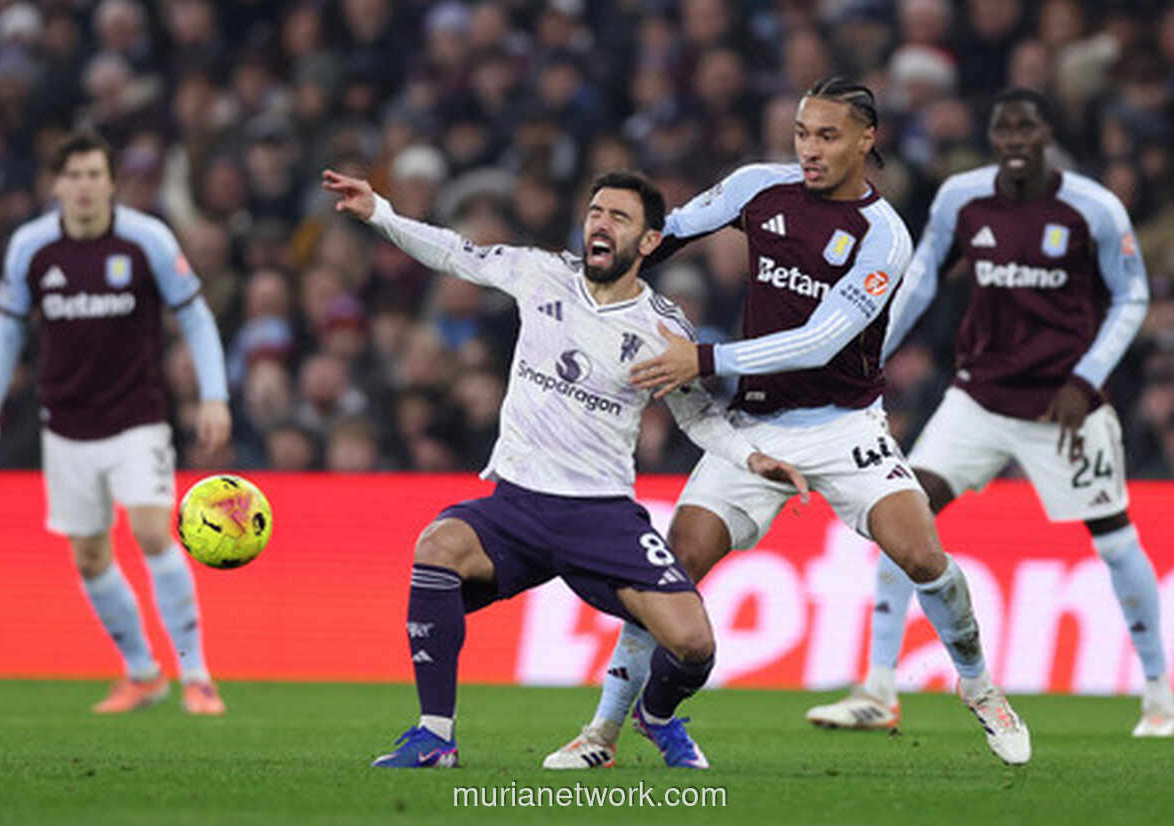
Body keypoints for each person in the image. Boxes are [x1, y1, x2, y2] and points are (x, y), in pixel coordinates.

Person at [544, 76, 1032, 769]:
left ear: (868, 140)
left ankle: (980, 687)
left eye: (827, 136)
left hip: (845, 427)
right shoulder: (757, 188)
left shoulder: (883, 238)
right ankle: (603, 734)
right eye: (802, 133)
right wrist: (593, 278)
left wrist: (702, 358)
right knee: (667, 575)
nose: (809, 149)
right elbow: (668, 233)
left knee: (922, 554)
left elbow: (820, 342)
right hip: (753, 427)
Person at [323, 167, 809, 769]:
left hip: (600, 516)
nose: (601, 225)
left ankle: (654, 715)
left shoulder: (662, 329)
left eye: (619, 217)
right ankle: (434, 735)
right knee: (437, 546)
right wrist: (382, 214)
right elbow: (455, 253)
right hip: (516, 506)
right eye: (596, 212)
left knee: (693, 644)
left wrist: (750, 456)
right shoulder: (540, 272)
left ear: (650, 242)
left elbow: (698, 418)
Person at [807, 88, 1174, 738]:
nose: (1013, 141)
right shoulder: (962, 197)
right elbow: (922, 278)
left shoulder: (1092, 207)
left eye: (1026, 130)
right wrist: (870, 354)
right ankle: (877, 689)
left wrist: (1088, 378)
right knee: (905, 519)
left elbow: (1132, 296)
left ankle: (1158, 694)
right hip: (978, 395)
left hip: (1062, 406)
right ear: (992, 136)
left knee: (1116, 541)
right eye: (1002, 130)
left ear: (1047, 135)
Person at [0, 130, 231, 714]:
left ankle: (197, 676)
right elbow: (8, 330)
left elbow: (195, 318)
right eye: (73, 175)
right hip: (66, 424)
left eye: (95, 174)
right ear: (56, 184)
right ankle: (143, 674)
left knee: (152, 531)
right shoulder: (31, 247)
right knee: (90, 557)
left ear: (111, 182)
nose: (84, 186)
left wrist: (214, 395)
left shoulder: (146, 240)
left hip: (138, 417)